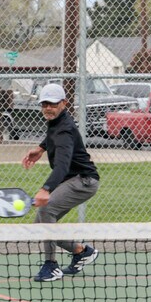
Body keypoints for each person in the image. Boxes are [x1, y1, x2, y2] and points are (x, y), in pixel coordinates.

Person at [21, 83, 100, 282]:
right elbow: (51, 136)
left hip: (83, 181)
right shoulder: (57, 122)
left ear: (64, 103)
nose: (48, 108)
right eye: (44, 104)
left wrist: (46, 189)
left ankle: (51, 266)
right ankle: (81, 251)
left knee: (47, 211)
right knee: (41, 225)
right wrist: (40, 149)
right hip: (73, 179)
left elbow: (62, 166)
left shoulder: (64, 130)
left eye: (53, 104)